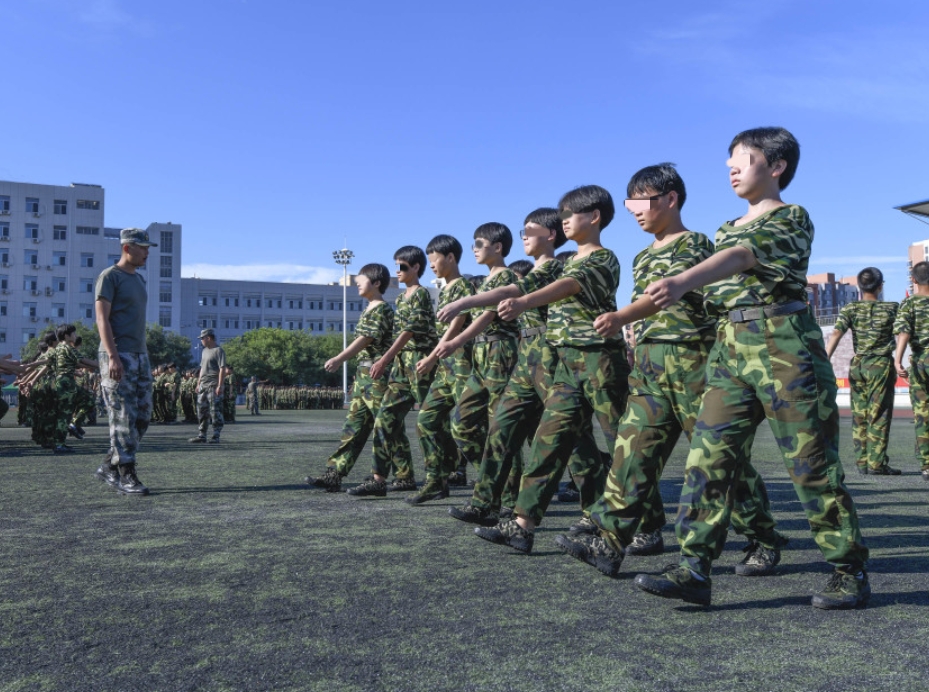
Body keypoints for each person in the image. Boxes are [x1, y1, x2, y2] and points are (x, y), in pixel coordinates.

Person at [630, 127, 869, 609]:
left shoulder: (792, 217)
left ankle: (848, 569)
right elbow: (715, 278)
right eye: (729, 161)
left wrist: (680, 279)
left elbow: (742, 257)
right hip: (730, 349)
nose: (731, 167)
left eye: (743, 158)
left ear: (776, 166)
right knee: (708, 457)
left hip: (785, 347)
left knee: (811, 466)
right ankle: (693, 566)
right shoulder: (724, 229)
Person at [552, 164, 785, 579]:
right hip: (650, 366)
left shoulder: (697, 245)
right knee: (631, 452)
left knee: (722, 461)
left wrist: (623, 316)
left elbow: (707, 301)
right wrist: (627, 325)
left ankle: (762, 538)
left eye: (641, 202)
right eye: (631, 205)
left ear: (671, 199)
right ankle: (609, 542)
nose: (635, 212)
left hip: (694, 363)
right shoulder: (642, 256)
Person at [473, 185, 631, 554]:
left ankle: (646, 524)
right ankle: (522, 524)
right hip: (565, 363)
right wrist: (474, 300)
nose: (563, 223)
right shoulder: (567, 260)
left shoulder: (604, 259)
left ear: (593, 217)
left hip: (600, 360)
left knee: (623, 442)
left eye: (568, 216)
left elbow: (568, 287)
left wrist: (524, 300)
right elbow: (524, 284)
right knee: (549, 440)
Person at [438, 208, 572, 526]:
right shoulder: (511, 276)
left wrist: (460, 320)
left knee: (568, 437)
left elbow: (499, 304)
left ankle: (588, 502)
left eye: (530, 231)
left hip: (535, 353)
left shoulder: (534, 272)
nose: (524, 236)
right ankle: (488, 501)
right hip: (521, 353)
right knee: (498, 428)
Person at [433, 222, 521, 489]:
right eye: (473, 244)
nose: (474, 249)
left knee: (500, 427)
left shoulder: (505, 277)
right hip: (482, 353)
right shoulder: (486, 281)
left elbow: (487, 316)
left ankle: (509, 490)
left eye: (479, 244)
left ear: (498, 247)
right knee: (462, 423)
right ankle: (495, 479)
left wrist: (455, 341)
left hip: (499, 351)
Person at [348, 246, 438, 496]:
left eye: (402, 266)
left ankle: (443, 475)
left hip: (420, 362)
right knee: (384, 419)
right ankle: (378, 479)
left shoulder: (420, 294)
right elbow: (399, 335)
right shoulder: (400, 299)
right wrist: (392, 359)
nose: (397, 271)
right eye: (396, 266)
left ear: (416, 267)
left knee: (432, 422)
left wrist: (385, 358)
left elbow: (408, 331)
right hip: (401, 365)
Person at [305, 263, 394, 492]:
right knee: (352, 427)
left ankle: (401, 476)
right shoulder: (368, 309)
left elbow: (365, 339)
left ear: (376, 283)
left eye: (360, 280)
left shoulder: (382, 309)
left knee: (386, 428)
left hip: (377, 375)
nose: (356, 283)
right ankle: (334, 474)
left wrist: (339, 358)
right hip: (364, 375)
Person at [406, 235, 475, 504]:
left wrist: (432, 357)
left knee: (470, 427)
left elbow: (456, 326)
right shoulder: (445, 290)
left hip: (462, 367)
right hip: (446, 369)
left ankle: (497, 485)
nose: (431, 265)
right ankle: (437, 480)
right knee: (426, 420)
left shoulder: (463, 287)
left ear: (451, 258)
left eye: (435, 260)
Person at [95, 227, 157, 495]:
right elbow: (102, 319)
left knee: (142, 416)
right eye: (142, 248)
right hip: (117, 354)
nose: (147, 252)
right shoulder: (109, 277)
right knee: (122, 415)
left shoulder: (140, 280)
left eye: (147, 248)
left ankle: (110, 463)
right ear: (127, 248)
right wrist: (112, 356)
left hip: (140, 355)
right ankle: (126, 474)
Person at [824, 267, 899, 475]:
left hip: (858, 364)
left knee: (859, 414)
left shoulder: (850, 308)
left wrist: (825, 359)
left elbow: (837, 332)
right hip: (880, 364)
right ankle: (877, 463)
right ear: (881, 285)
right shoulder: (892, 308)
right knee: (879, 414)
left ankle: (862, 462)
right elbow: (903, 332)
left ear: (859, 286)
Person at [894, 260, 929, 482]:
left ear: (913, 280)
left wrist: (897, 360)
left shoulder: (909, 304)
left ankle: (927, 465)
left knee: (923, 413)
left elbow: (904, 333)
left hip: (920, 361)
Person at [189, 328, 226, 443]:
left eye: (202, 339)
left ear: (208, 338)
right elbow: (202, 369)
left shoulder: (218, 351)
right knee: (201, 411)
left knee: (215, 411)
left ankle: (216, 435)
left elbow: (222, 369)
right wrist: (198, 383)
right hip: (203, 386)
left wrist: (220, 385)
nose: (201, 341)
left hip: (213, 385)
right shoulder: (204, 351)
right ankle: (202, 435)